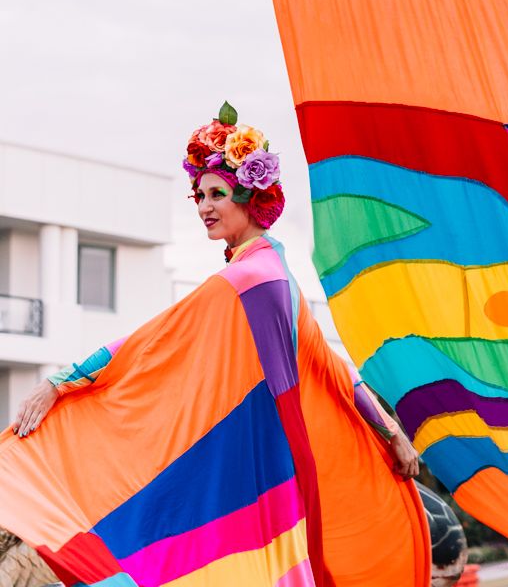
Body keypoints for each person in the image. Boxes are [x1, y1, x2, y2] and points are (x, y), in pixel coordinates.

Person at [10, 101, 421, 481]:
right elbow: (327, 361)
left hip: (261, 471)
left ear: (251, 197)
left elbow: (151, 341)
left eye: (217, 195)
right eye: (200, 195)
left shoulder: (251, 277)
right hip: (276, 464)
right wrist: (389, 430)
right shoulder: (270, 267)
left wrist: (61, 383)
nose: (203, 206)